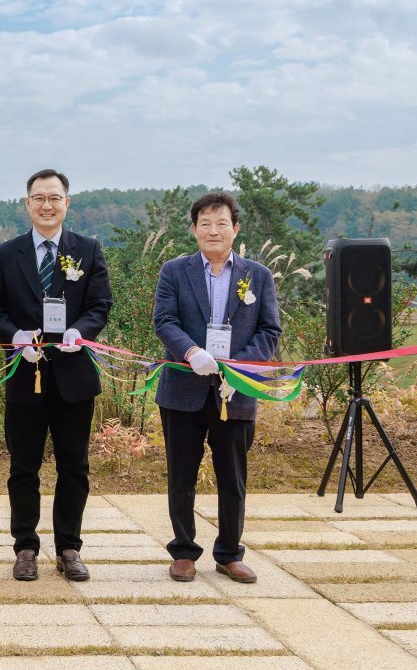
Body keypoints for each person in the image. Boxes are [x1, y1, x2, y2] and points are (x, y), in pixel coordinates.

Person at [0, 169, 112, 583]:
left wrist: (81, 331)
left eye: (54, 197)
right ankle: (25, 548)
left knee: (74, 465)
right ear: (27, 204)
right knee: (23, 466)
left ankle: (69, 548)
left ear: (67, 203)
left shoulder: (87, 250)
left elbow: (100, 304)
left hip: (74, 377)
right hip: (25, 376)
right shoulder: (8, 253)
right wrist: (14, 336)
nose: (47, 205)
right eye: (38, 198)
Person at [153, 191, 280, 584]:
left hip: (235, 391)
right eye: (205, 223)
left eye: (221, 223)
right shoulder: (175, 271)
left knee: (233, 476)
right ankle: (184, 551)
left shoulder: (256, 275)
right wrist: (191, 352)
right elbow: (164, 321)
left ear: (235, 229)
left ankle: (229, 553)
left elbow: (270, 330)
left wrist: (236, 365)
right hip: (183, 390)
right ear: (194, 230)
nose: (213, 230)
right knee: (182, 475)